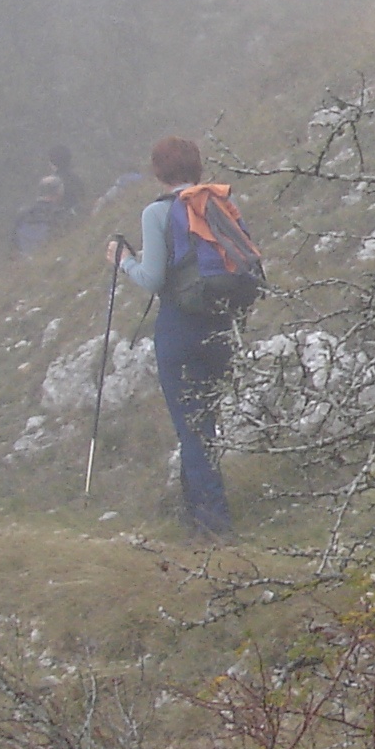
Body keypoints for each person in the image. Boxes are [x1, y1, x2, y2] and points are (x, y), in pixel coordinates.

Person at [112, 137, 245, 536]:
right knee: (206, 423)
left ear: (159, 171)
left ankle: (213, 523)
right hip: (221, 323)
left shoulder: (157, 212)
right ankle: (195, 513)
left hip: (179, 325)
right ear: (197, 167)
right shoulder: (217, 201)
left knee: (192, 430)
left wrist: (124, 262)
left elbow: (152, 278)